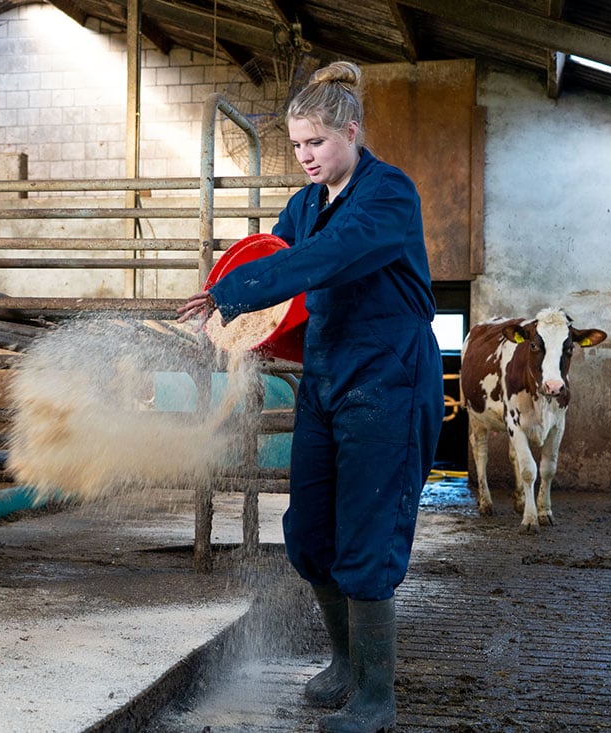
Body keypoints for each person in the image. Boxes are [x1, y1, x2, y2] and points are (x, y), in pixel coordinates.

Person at [177, 60, 443, 733]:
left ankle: (376, 696)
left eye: (316, 143)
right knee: (310, 530)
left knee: (368, 530)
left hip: (388, 377)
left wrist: (232, 294)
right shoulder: (301, 206)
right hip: (326, 380)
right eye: (296, 146)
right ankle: (345, 664)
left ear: (350, 132)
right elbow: (282, 280)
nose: (305, 157)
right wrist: (234, 324)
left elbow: (321, 261)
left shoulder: (389, 195)